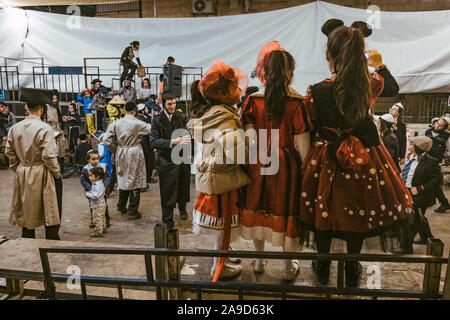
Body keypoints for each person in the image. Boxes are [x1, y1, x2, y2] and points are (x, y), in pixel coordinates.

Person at [300, 26, 413, 287]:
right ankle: (352, 267)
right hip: (365, 156)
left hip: (326, 156)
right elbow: (392, 86)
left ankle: (322, 263)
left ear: (329, 54)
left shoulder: (316, 90)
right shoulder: (369, 84)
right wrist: (379, 64)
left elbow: (312, 125)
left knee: (323, 207)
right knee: (360, 208)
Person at [240, 42, 311, 281]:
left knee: (259, 206)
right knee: (285, 210)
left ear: (265, 71)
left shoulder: (253, 100)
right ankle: (288, 266)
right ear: (289, 72)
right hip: (286, 165)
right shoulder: (297, 103)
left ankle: (259, 260)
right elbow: (302, 146)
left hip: (259, 160)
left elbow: (249, 139)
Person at [188, 62, 250, 281]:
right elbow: (237, 154)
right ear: (222, 94)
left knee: (224, 228)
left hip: (216, 178)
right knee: (224, 227)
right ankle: (219, 267)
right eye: (234, 88)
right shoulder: (226, 118)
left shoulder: (214, 113)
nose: (239, 91)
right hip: (224, 180)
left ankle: (222, 260)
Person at [5, 98, 63, 240]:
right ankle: (51, 238)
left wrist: (18, 168)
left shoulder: (15, 128)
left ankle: (27, 237)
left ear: (26, 107)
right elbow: (48, 156)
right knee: (49, 205)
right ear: (42, 109)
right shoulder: (45, 128)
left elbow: (9, 152)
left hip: (23, 170)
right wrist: (56, 173)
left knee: (27, 204)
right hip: (42, 171)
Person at [103, 102, 151, 219]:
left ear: (125, 110)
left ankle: (121, 205)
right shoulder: (139, 123)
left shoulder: (116, 123)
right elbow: (151, 130)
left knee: (123, 177)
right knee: (136, 179)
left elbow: (106, 140)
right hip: (134, 151)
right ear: (135, 111)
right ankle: (133, 209)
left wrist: (116, 149)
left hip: (121, 151)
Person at [150, 91, 191, 229]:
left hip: (182, 156)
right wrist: (172, 141)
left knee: (183, 185)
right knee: (167, 190)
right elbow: (154, 141)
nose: (172, 106)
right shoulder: (157, 120)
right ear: (163, 104)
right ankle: (167, 219)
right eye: (169, 104)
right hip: (166, 159)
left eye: (174, 103)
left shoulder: (182, 117)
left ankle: (182, 208)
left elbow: (188, 135)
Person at [394, 137, 441, 253]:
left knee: (411, 221)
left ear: (418, 148)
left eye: (412, 144)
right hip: (408, 191)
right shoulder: (412, 157)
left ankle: (406, 247)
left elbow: (437, 179)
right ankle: (427, 237)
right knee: (419, 217)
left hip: (420, 195)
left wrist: (420, 189)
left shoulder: (431, 161)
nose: (409, 144)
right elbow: (410, 172)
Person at [80, 150, 111, 228]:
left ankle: (106, 220)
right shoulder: (86, 169)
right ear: (88, 160)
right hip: (91, 191)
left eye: (97, 159)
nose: (96, 161)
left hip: (102, 191)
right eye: (93, 159)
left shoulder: (103, 166)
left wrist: (104, 185)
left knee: (104, 206)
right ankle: (94, 221)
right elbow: (83, 180)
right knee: (92, 206)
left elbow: (107, 177)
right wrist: (89, 188)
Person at [425, 117, 450, 213]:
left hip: (435, 162)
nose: (437, 126)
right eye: (437, 123)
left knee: (433, 183)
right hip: (425, 159)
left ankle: (444, 202)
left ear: (444, 128)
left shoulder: (446, 137)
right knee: (425, 181)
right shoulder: (428, 132)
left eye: (440, 126)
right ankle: (430, 200)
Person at [138, 103, 157, 188]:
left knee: (149, 161)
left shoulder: (147, 118)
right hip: (144, 143)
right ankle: (144, 181)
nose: (147, 110)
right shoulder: (140, 119)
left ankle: (148, 177)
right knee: (145, 162)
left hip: (148, 143)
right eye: (146, 109)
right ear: (142, 111)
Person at [85, 166, 107, 238]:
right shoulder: (97, 183)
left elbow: (96, 195)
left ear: (97, 177)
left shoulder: (98, 185)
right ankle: (103, 228)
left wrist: (88, 194)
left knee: (97, 218)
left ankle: (98, 231)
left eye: (91, 175)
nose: (89, 177)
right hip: (100, 204)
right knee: (101, 217)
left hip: (98, 205)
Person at [45, 94, 66, 173]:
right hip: (51, 130)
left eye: (56, 98)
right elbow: (48, 119)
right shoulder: (47, 107)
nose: (55, 100)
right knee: (54, 150)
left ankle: (61, 169)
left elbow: (59, 118)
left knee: (60, 150)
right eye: (53, 99)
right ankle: (54, 169)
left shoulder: (57, 106)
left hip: (58, 129)